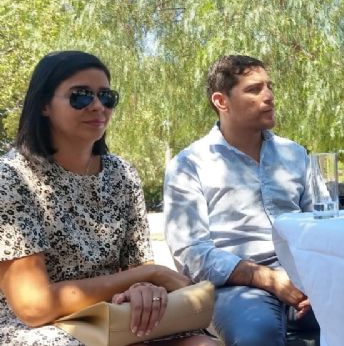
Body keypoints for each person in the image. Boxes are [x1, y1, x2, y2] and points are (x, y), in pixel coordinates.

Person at [0, 51, 214, 345]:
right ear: (44, 105)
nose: (98, 106)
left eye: (106, 96)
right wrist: (148, 275)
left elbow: (137, 268)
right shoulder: (12, 178)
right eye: (80, 96)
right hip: (42, 327)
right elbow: (34, 306)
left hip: (115, 315)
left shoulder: (121, 174)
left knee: (202, 343)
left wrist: (142, 286)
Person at [163, 55, 318, 346]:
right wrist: (267, 278)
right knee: (257, 335)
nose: (269, 96)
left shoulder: (295, 155)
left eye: (269, 87)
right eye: (254, 89)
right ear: (221, 101)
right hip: (235, 286)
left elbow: (323, 223)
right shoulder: (190, 164)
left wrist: (322, 280)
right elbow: (190, 253)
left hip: (304, 277)